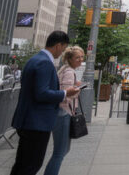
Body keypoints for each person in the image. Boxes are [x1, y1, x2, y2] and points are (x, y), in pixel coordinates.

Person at [10, 31, 81, 175]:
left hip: (29, 120)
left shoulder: (35, 59)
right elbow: (41, 93)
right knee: (31, 165)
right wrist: (65, 93)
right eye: (63, 47)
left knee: (23, 164)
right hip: (36, 122)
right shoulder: (44, 63)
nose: (62, 52)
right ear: (58, 45)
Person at [44, 46, 84, 175]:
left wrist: (75, 85)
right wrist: (76, 90)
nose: (80, 60)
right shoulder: (69, 72)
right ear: (69, 59)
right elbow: (65, 94)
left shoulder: (64, 70)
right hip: (63, 112)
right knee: (60, 152)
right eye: (77, 57)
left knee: (62, 150)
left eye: (82, 57)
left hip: (62, 112)